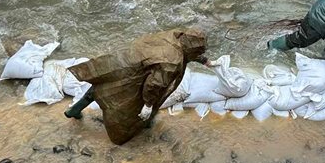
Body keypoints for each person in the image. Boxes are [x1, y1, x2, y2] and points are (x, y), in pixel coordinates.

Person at [64, 28, 215, 145]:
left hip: (123, 59)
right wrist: (148, 105)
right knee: (128, 101)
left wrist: (204, 61)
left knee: (104, 83)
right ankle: (145, 123)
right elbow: (154, 84)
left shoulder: (175, 35)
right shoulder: (172, 61)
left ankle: (74, 110)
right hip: (136, 74)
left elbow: (186, 50)